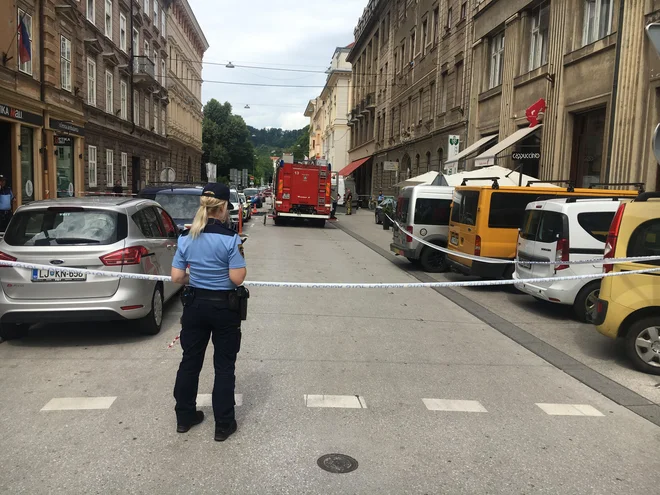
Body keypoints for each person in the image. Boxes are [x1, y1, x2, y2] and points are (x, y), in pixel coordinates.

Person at [170, 183, 247, 442]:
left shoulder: (185, 237)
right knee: (224, 366)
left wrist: (198, 276)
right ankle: (223, 424)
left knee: (190, 362)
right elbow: (237, 278)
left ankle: (184, 417)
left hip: (194, 306)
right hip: (224, 308)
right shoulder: (230, 239)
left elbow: (177, 276)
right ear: (224, 207)